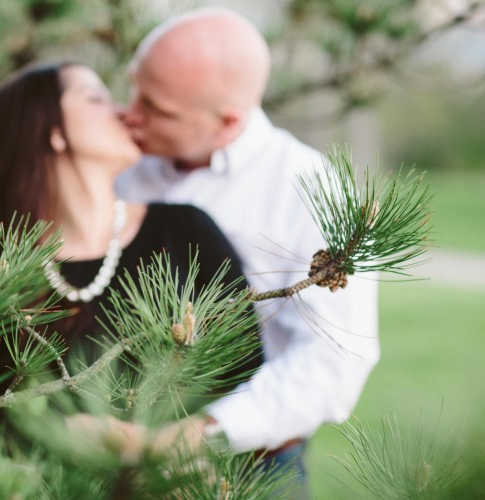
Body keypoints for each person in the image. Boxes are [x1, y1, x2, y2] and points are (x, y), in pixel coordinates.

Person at [116, 6, 380, 491]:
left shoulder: (310, 189)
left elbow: (334, 361)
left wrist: (203, 435)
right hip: (111, 454)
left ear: (228, 119)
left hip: (246, 466)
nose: (131, 113)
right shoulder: (122, 164)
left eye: (157, 107)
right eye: (134, 87)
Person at [0, 61, 262, 457]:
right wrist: (66, 431)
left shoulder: (185, 230)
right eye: (95, 98)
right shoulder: (4, 275)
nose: (124, 113)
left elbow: (245, 368)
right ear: (53, 132)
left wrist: (178, 443)